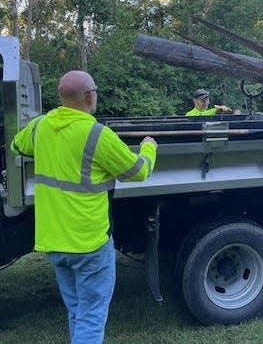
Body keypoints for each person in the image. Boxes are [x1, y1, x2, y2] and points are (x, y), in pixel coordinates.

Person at [10, 70, 157, 344]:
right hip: (89, 244)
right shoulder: (96, 134)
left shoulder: (41, 126)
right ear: (90, 96)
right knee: (91, 316)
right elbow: (137, 171)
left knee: (78, 309)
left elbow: (17, 146)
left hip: (54, 242)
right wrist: (149, 147)